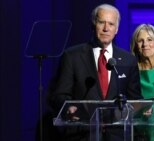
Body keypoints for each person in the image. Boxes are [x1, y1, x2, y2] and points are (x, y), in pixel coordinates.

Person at [48, 4, 142, 141]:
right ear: (93, 24)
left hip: (117, 135)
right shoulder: (72, 56)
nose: (106, 28)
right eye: (101, 22)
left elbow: (135, 99)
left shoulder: (128, 60)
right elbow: (59, 95)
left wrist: (143, 108)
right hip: (82, 134)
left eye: (111, 24)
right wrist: (70, 107)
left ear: (116, 29)